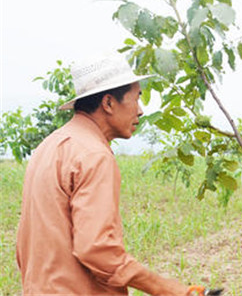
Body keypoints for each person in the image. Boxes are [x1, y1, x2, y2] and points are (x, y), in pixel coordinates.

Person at [16, 55, 210, 296]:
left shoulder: (49, 146)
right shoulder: (94, 155)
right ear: (108, 103)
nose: (140, 110)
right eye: (137, 98)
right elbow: (96, 249)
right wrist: (168, 289)